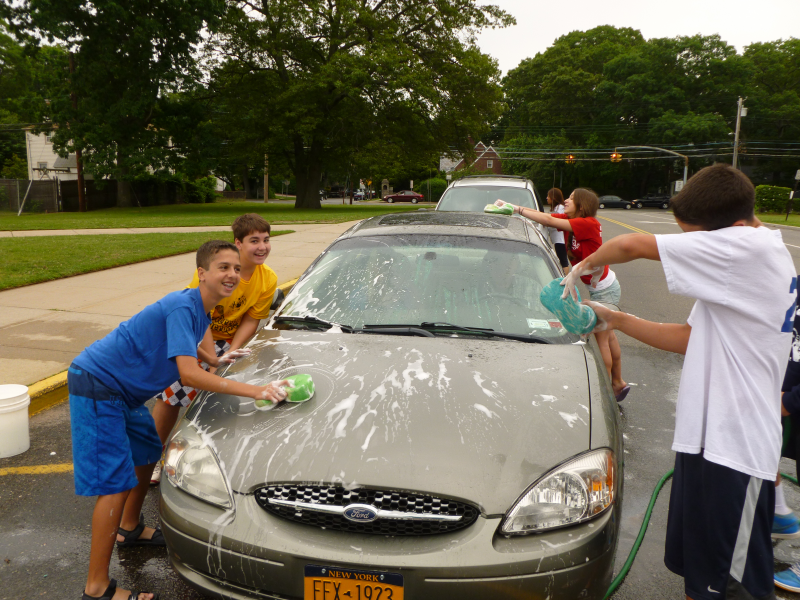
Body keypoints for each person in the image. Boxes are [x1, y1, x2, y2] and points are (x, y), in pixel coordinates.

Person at [562, 163, 796, 600]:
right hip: (705, 443)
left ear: (730, 228)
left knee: (735, 588)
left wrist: (582, 267)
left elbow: (631, 244)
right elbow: (691, 338)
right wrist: (615, 318)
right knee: (701, 577)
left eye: (694, 236)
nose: (691, 246)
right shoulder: (742, 260)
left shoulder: (746, 250)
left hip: (737, 452)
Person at [69, 240, 288, 600]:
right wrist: (256, 390)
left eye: (235, 268)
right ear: (202, 273)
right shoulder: (181, 306)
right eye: (223, 267)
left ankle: (129, 527)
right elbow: (188, 375)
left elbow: (194, 348)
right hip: (97, 384)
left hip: (124, 393)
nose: (232, 274)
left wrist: (215, 359)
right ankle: (97, 588)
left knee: (146, 450)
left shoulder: (201, 307)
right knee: (114, 483)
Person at [150, 213, 277, 483]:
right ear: (238, 243)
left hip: (229, 342)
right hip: (196, 335)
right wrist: (211, 357)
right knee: (173, 396)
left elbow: (252, 319)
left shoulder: (268, 279)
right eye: (254, 240)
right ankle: (151, 456)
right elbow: (198, 314)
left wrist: (231, 350)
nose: (262, 247)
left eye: (266, 240)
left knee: (221, 400)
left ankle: (211, 462)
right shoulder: (216, 271)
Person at [495, 188, 629, 401]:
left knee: (602, 338)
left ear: (582, 206)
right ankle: (618, 383)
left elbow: (550, 220)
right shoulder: (572, 220)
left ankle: (605, 391)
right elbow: (546, 218)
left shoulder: (588, 223)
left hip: (605, 289)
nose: (566, 200)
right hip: (600, 287)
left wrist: (517, 208)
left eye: (571, 199)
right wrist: (516, 210)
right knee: (609, 335)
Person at [772, 293, 800, 592]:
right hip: (784, 396)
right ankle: (779, 514)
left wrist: (791, 400)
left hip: (790, 400)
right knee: (763, 451)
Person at [546, 188, 570, 273]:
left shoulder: (560, 208)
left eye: (548, 196)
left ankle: (565, 279)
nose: (547, 198)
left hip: (561, 240)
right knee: (561, 259)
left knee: (563, 260)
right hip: (557, 239)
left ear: (554, 198)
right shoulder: (556, 208)